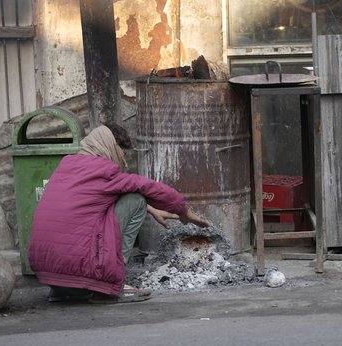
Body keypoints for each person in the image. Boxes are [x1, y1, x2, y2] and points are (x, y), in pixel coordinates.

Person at [28, 123, 209, 304]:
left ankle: (61, 291)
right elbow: (148, 187)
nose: (124, 161)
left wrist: (152, 209)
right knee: (137, 201)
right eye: (122, 154)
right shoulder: (105, 171)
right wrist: (183, 211)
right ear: (111, 147)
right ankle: (109, 288)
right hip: (82, 270)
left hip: (47, 272)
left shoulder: (67, 164)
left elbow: (96, 198)